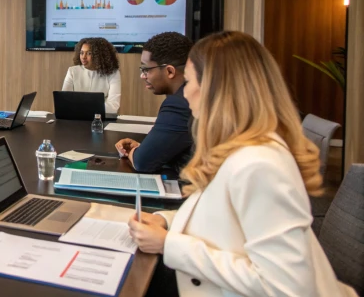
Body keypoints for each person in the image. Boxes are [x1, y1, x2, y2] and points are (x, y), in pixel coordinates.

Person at [128, 31, 355, 296]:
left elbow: (285, 286)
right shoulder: (238, 148)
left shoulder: (260, 165)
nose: (185, 93)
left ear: (216, 89)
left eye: (189, 81)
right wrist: (165, 220)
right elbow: (220, 215)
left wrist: (169, 245)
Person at [115, 32, 194, 174]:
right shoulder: (194, 92)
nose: (142, 76)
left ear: (169, 71)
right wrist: (143, 147)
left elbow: (142, 162)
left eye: (146, 69)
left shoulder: (179, 104)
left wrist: (136, 152)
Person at [62, 37, 122, 114]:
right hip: (76, 119)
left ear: (100, 56)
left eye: (89, 53)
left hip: (101, 120)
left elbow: (113, 106)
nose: (83, 57)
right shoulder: (72, 71)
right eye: (81, 53)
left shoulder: (113, 73)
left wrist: (80, 107)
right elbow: (64, 102)